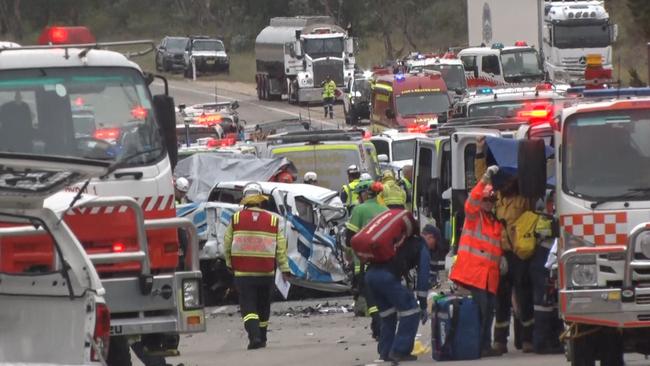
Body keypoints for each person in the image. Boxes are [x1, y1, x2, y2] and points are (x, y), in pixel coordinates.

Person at [475, 136, 535, 354]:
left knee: (524, 296)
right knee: (501, 298)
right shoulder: (496, 196)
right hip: (499, 254)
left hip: (519, 253)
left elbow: (535, 180)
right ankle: (499, 341)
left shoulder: (525, 198)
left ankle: (526, 339)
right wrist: (480, 151)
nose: (506, 184)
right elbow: (481, 179)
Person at [224, 182, 291, 350]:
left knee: (249, 307)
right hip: (266, 272)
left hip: (243, 273)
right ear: (260, 200)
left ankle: (254, 337)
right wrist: (284, 269)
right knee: (263, 306)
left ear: (245, 200)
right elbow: (281, 247)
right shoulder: (274, 220)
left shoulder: (236, 218)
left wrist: (229, 263)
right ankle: (262, 337)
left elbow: (226, 243)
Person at [449, 164, 503, 358]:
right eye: (487, 200)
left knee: (488, 312)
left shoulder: (495, 223)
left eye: (492, 200)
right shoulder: (474, 216)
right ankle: (479, 346)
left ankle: (485, 345)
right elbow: (471, 200)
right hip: (474, 274)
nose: (489, 203)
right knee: (481, 311)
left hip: (489, 277)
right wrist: (485, 180)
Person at [364, 209, 430, 362]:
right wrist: (423, 304)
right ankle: (400, 351)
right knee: (411, 311)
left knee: (388, 315)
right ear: (429, 237)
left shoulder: (398, 241)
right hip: (386, 278)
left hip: (371, 276)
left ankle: (385, 351)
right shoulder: (421, 245)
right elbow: (423, 276)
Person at [346, 180, 387, 340]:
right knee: (382, 297)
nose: (358, 198)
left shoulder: (359, 210)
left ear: (365, 194)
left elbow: (349, 238)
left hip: (363, 264)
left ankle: (377, 327)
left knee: (370, 299)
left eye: (359, 195)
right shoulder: (385, 210)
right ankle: (382, 325)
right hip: (384, 262)